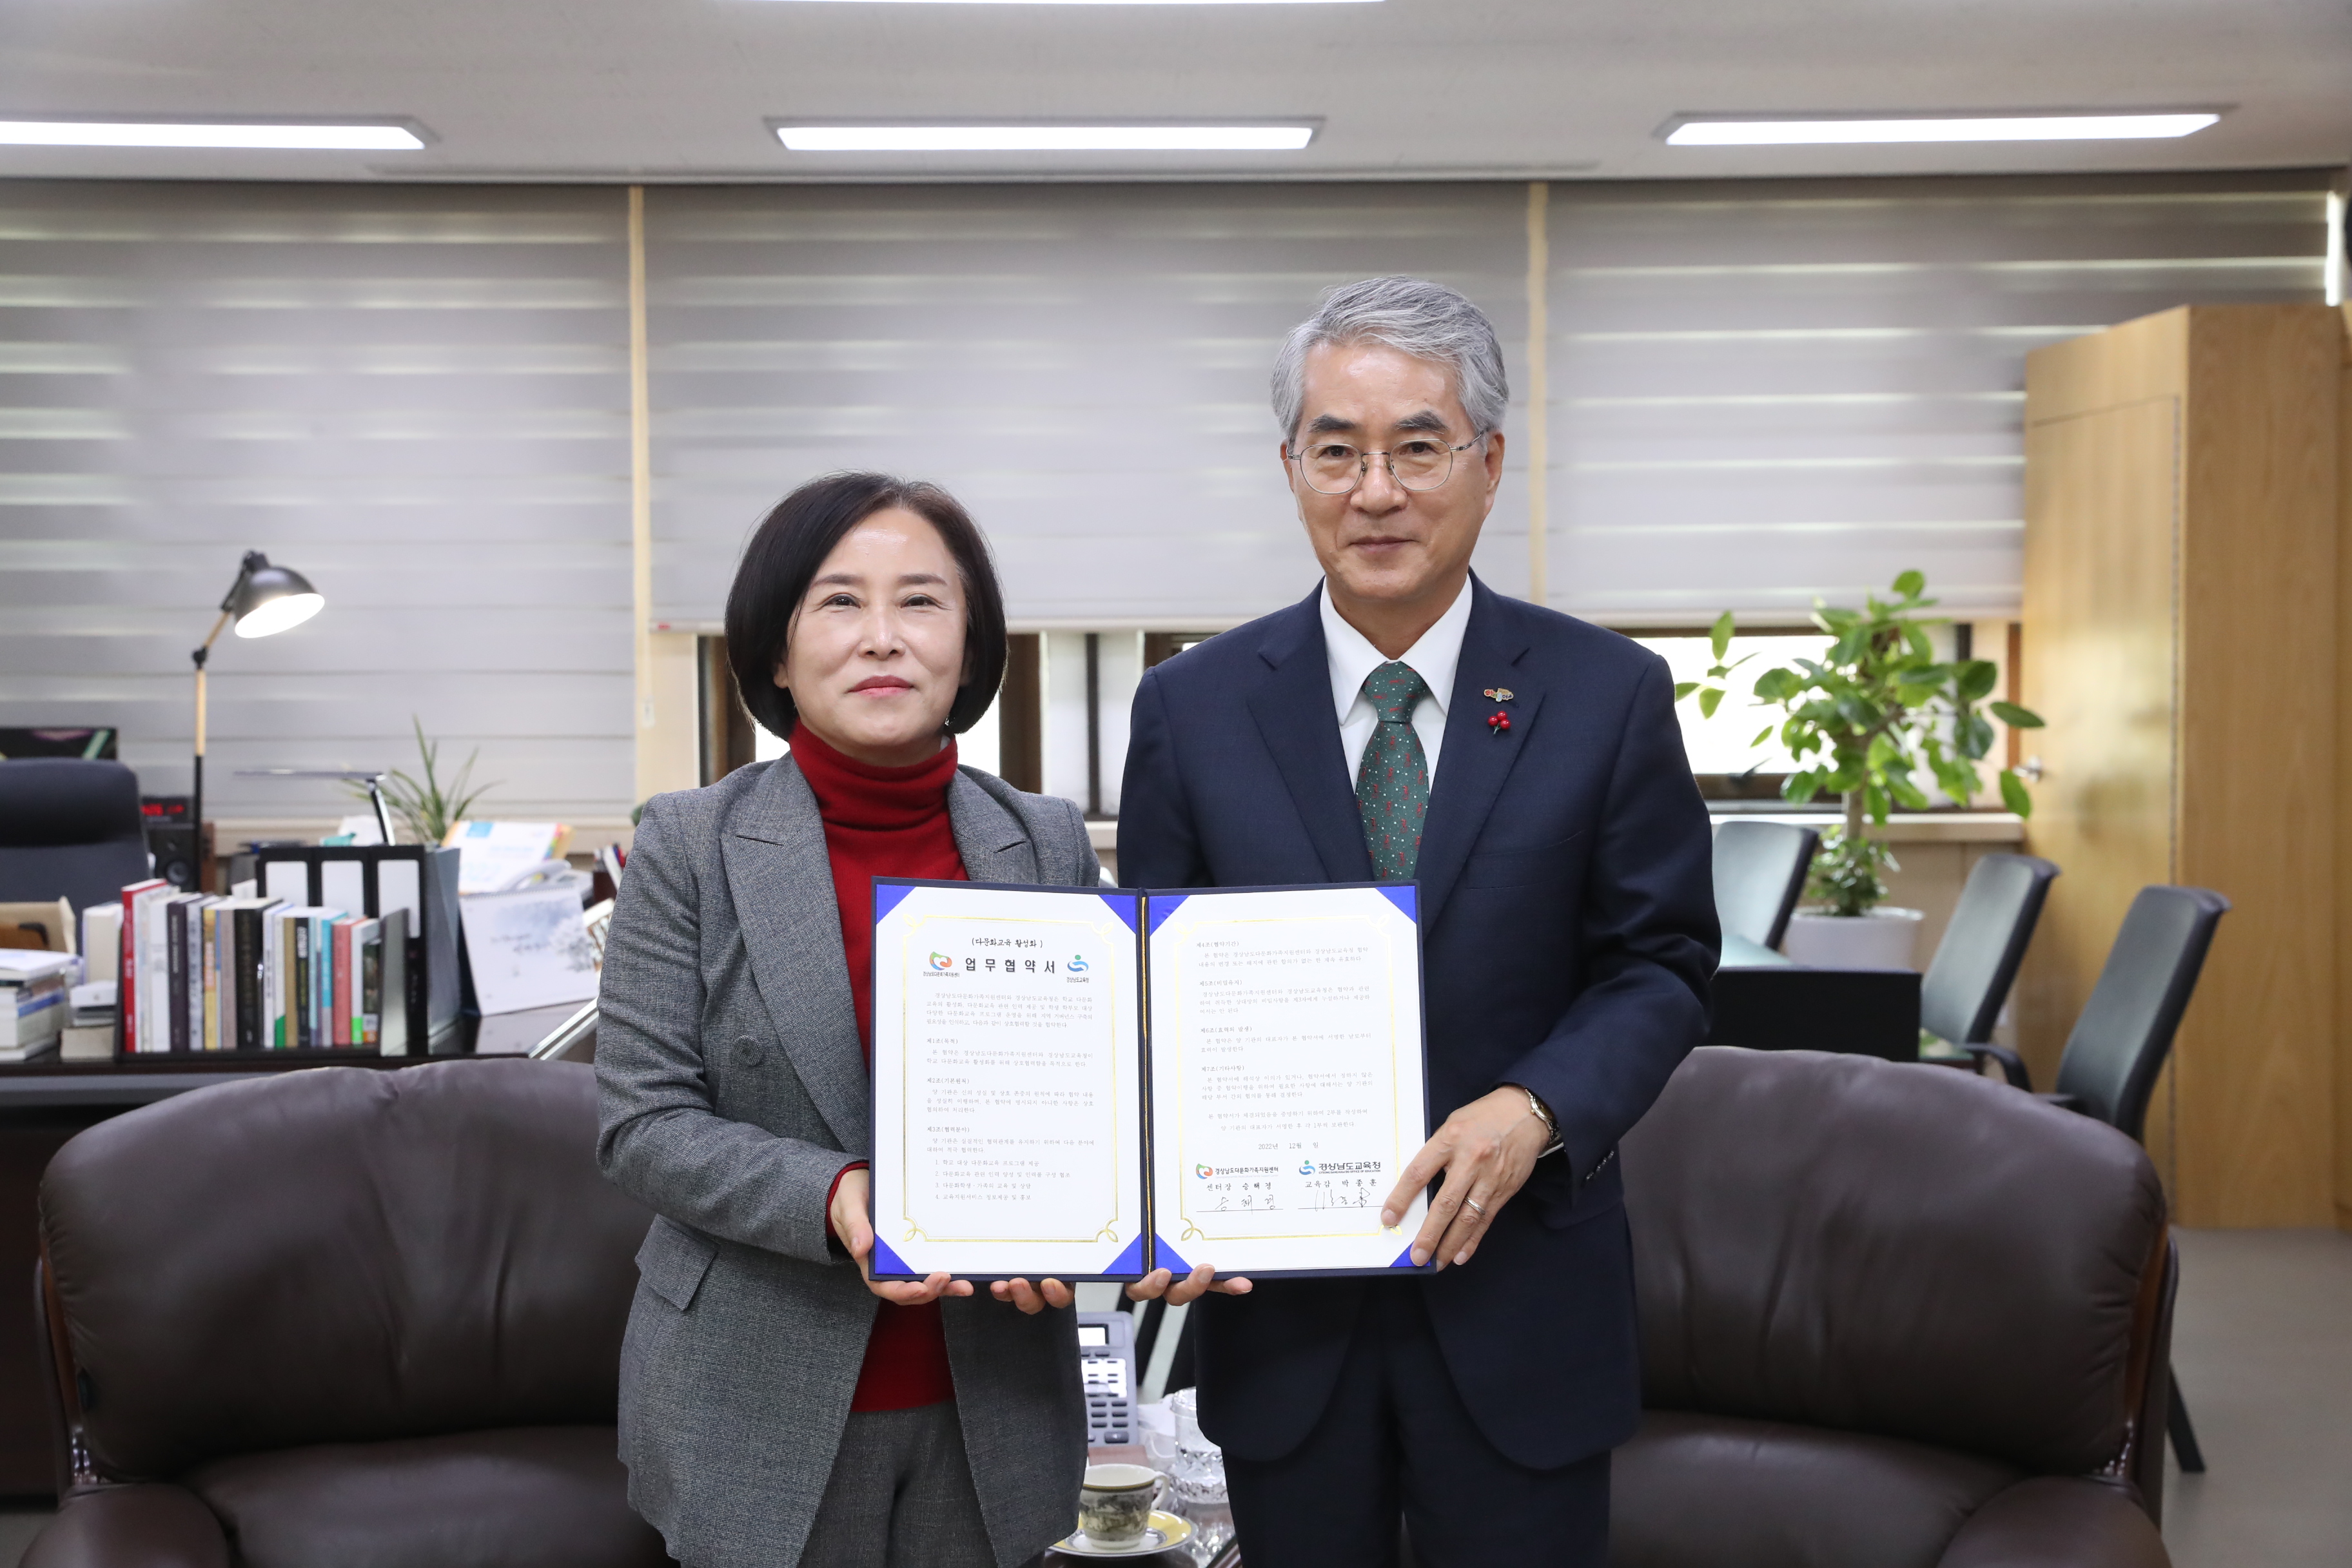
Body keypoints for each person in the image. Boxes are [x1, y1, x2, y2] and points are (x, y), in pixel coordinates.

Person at [1117, 277, 1718, 1566]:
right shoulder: (1194, 708)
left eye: (1417, 446)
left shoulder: (1607, 695)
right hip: (1283, 1318)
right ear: (1291, 468)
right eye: (1336, 448)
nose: (1373, 489)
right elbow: (1153, 987)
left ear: (1488, 464)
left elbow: (1659, 964)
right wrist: (1151, 1188)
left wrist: (1537, 1109)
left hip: (1521, 1295)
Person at [596, 473, 1094, 1568]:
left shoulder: (1048, 842)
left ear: (971, 645)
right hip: (753, 1392)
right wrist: (836, 1196)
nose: (883, 638)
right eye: (838, 602)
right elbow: (639, 1123)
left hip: (996, 1393)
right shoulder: (688, 843)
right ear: (776, 651)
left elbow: (1096, 1095)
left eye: (921, 601)